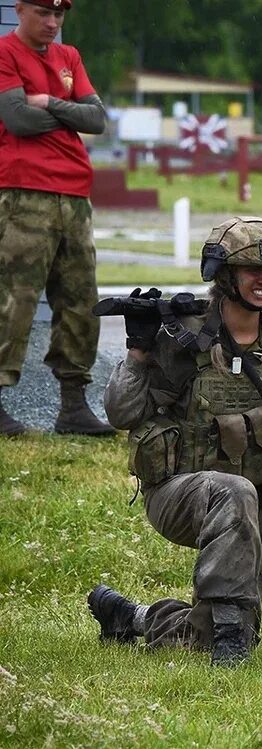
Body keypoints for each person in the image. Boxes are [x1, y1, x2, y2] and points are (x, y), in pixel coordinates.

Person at [85, 217, 262, 667]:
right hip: (180, 493)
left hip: (246, 509)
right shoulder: (186, 336)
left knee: (228, 628)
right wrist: (138, 351)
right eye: (253, 271)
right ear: (224, 275)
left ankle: (132, 617)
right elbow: (122, 413)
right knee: (234, 498)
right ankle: (226, 633)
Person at [0, 0, 112, 436]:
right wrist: (69, 112)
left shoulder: (69, 57)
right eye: (43, 13)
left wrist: (48, 101)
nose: (52, 23)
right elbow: (15, 118)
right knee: (14, 298)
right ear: (21, 10)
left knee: (80, 300)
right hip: (23, 191)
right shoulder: (6, 54)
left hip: (75, 195)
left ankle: (73, 406)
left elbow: (97, 118)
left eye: (59, 16)